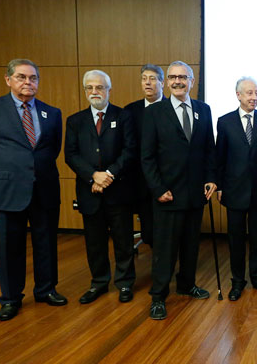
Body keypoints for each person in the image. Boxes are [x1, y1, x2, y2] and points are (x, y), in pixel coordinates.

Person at [0, 58, 67, 321]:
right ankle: (11, 298)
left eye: (33, 78)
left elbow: (52, 148)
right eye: (22, 77)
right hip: (7, 190)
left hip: (44, 188)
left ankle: (46, 290)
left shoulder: (52, 112)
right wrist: (0, 173)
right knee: (9, 246)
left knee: (46, 243)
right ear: (8, 79)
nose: (28, 82)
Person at [141, 61, 217, 320]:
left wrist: (211, 179)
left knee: (190, 244)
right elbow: (147, 157)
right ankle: (158, 296)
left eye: (183, 77)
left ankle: (186, 285)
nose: (177, 81)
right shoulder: (154, 112)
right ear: (166, 82)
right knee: (164, 249)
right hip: (167, 194)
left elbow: (209, 149)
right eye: (172, 77)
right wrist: (158, 188)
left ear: (192, 81)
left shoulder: (203, 110)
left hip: (196, 193)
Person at [64, 70, 137, 304]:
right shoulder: (75, 121)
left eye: (100, 87)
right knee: (94, 242)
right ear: (85, 90)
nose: (95, 92)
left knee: (123, 240)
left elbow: (129, 151)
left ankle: (125, 283)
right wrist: (92, 176)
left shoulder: (123, 116)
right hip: (89, 191)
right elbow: (71, 155)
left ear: (108, 90)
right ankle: (99, 283)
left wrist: (107, 175)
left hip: (119, 190)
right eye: (90, 88)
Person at [215, 77, 257, 301]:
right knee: (235, 238)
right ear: (238, 95)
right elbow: (220, 158)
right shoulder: (225, 121)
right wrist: (219, 186)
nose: (254, 97)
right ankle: (237, 281)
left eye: (256, 93)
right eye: (249, 93)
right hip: (233, 190)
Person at [124, 64, 165, 247]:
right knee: (149, 232)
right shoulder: (130, 111)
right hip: (141, 180)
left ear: (162, 83)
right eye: (144, 79)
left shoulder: (172, 108)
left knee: (168, 229)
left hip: (168, 178)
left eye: (152, 78)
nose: (147, 83)